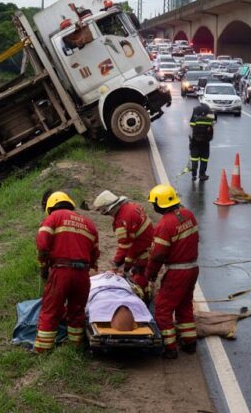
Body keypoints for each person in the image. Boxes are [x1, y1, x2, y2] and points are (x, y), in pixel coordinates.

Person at [34, 191, 100, 353]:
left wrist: (43, 267)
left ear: (50, 207)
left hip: (61, 271)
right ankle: (75, 347)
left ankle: (42, 349)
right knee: (77, 312)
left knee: (51, 309)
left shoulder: (53, 218)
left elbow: (42, 245)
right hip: (83, 274)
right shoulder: (89, 224)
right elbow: (95, 254)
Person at [146, 184, 199, 359]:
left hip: (177, 273)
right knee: (184, 305)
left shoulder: (165, 225)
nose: (153, 206)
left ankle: (170, 348)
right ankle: (190, 343)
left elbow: (158, 254)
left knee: (163, 309)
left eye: (154, 203)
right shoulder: (188, 215)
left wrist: (150, 274)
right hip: (192, 268)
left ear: (160, 204)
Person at [92, 190, 155, 299]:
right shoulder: (132, 207)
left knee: (138, 276)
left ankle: (143, 299)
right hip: (148, 245)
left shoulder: (121, 220)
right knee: (140, 272)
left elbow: (124, 246)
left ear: (109, 209)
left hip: (141, 251)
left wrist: (116, 265)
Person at [188, 103, 215, 182]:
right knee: (204, 159)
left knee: (194, 159)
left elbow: (191, 124)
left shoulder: (195, 113)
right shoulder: (210, 115)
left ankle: (194, 175)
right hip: (205, 142)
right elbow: (212, 124)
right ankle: (202, 175)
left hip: (195, 142)